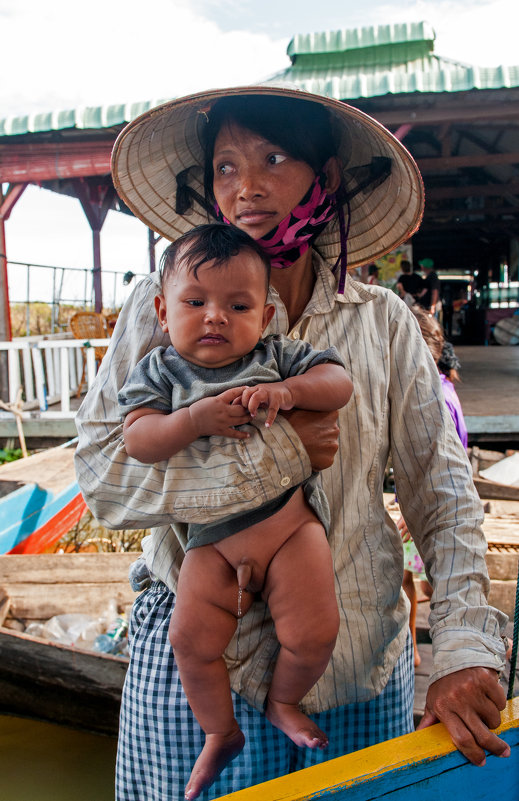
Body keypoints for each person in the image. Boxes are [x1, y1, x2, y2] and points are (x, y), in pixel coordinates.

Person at [74, 85, 509, 801]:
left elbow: (442, 492)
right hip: (199, 668)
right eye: (224, 167)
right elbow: (105, 480)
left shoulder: (382, 325)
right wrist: (280, 454)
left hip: (356, 664)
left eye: (272, 159)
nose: (244, 188)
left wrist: (462, 644)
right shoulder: (161, 309)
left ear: (326, 178)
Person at [117, 223, 353, 799]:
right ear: (162, 312)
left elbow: (339, 382)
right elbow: (137, 439)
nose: (215, 316)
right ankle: (219, 732)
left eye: (238, 304)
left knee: (316, 633)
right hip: (210, 543)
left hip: (290, 526)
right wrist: (191, 421)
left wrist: (290, 393)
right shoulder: (162, 371)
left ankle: (283, 700)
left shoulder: (278, 357)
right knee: (192, 643)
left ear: (265, 318)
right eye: (195, 302)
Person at [397, 307, 468, 667]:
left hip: (433, 505)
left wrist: (414, 512)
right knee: (412, 578)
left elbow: (447, 468)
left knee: (431, 584)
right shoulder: (442, 387)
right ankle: (413, 646)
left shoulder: (435, 397)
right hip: (425, 500)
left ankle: (457, 654)